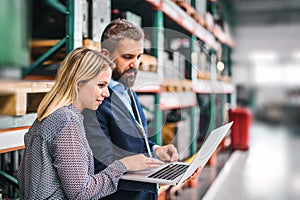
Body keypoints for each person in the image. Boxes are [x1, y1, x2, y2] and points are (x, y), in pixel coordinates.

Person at [17, 47, 163, 200]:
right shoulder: (67, 121)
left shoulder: (49, 116)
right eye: (101, 85)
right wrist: (123, 165)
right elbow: (81, 192)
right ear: (79, 82)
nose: (106, 93)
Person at [83, 19, 201, 200]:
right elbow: (102, 166)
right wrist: (159, 175)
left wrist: (156, 150)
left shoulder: (128, 92)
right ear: (106, 55)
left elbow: (136, 143)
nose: (136, 65)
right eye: (128, 57)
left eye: (139, 57)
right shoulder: (95, 102)